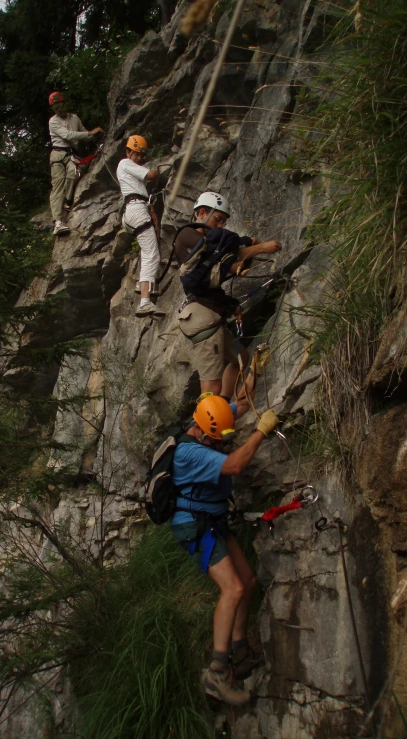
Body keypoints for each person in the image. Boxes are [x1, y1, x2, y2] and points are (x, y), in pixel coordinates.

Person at [171, 394, 280, 704]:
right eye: (215, 439)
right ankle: (217, 673)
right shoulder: (189, 452)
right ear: (203, 430)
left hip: (212, 520)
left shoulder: (210, 416)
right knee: (232, 589)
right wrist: (261, 431)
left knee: (247, 582)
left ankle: (240, 650)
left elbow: (243, 403)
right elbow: (234, 465)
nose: (218, 443)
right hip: (194, 525)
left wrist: (254, 370)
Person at [175, 191, 282, 398]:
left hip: (208, 314)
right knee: (210, 388)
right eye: (218, 219)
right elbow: (220, 261)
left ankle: (221, 405)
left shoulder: (209, 245)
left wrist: (252, 250)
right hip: (202, 318)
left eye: (223, 221)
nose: (221, 225)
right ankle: (203, 428)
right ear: (202, 212)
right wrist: (260, 249)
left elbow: (226, 259)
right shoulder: (189, 237)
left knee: (240, 358)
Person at [116, 135, 166, 318]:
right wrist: (158, 170)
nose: (138, 157)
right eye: (135, 153)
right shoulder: (124, 163)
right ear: (128, 152)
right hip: (136, 209)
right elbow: (151, 175)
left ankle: (143, 285)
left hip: (135, 209)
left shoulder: (131, 167)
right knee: (152, 252)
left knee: (147, 250)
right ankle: (145, 301)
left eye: (140, 155)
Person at [48, 91, 104, 236]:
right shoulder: (53, 121)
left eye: (59, 106)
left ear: (64, 103)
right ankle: (58, 222)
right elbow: (68, 135)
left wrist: (96, 137)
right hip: (58, 154)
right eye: (55, 108)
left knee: (74, 172)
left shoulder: (74, 118)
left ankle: (67, 200)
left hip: (73, 154)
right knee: (58, 185)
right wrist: (90, 133)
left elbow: (84, 134)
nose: (58, 110)